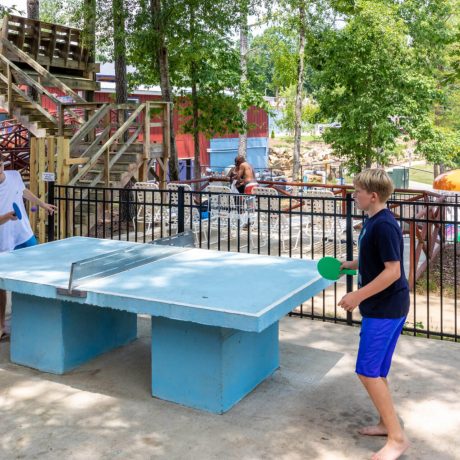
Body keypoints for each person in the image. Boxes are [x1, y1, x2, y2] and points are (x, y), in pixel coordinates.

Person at [338, 168, 410, 460]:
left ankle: (397, 438)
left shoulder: (383, 226)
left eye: (357, 191)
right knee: (377, 371)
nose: (354, 195)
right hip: (387, 307)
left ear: (373, 196)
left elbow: (392, 271)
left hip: (385, 309)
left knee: (367, 372)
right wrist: (351, 264)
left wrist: (357, 295)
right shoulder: (372, 222)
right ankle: (385, 423)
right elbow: (375, 262)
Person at [0, 159, 57, 341]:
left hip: (24, 236)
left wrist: (42, 204)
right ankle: (1, 325)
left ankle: (39, 315)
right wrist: (8, 217)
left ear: (2, 165)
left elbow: (23, 191)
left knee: (39, 272)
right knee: (1, 286)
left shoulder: (14, 175)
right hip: (3, 240)